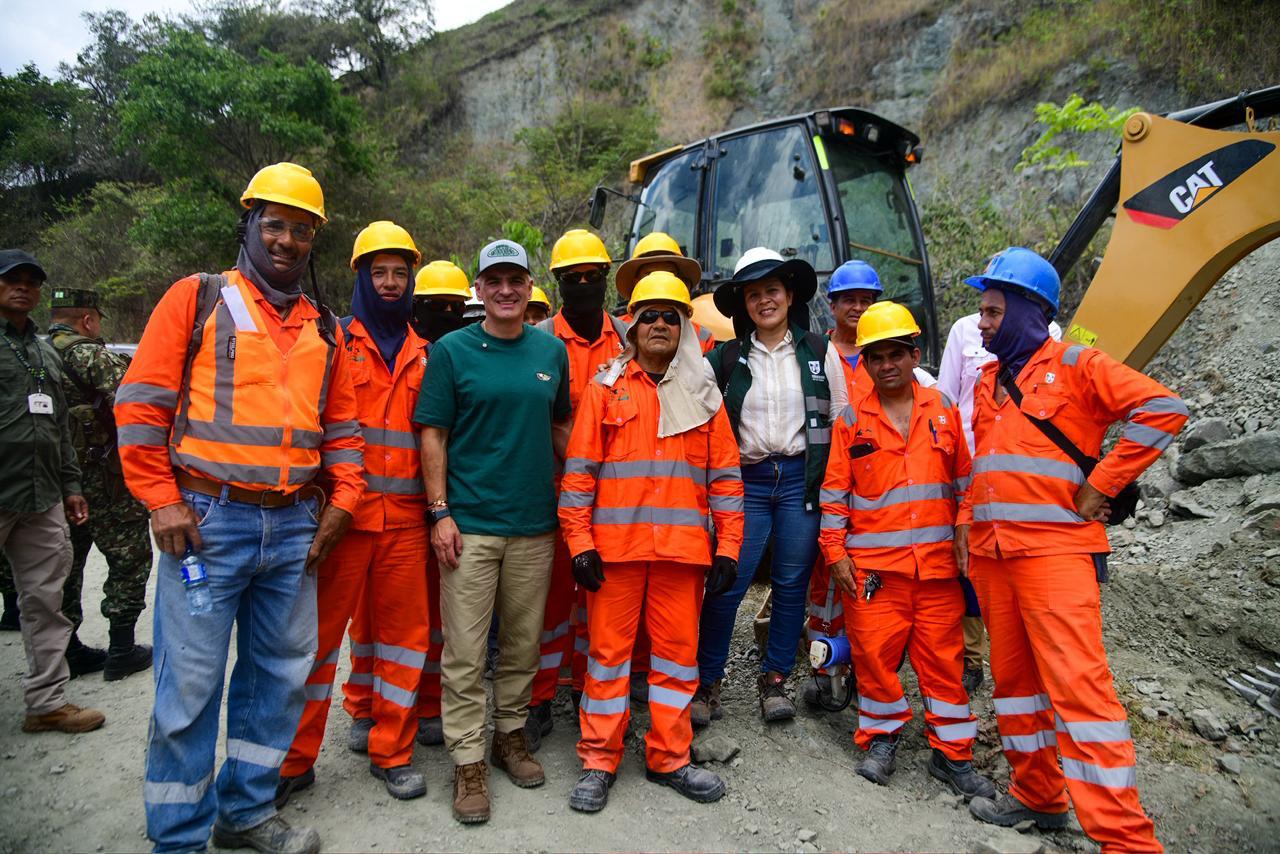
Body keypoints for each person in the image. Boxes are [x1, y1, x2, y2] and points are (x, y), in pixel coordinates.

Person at [117, 162, 364, 854]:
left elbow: (342, 429)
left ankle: (246, 812)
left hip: (293, 528)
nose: (286, 241)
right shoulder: (196, 299)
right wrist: (162, 501)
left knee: (280, 680)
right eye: (275, 225)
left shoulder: (325, 329)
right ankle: (179, 838)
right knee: (188, 689)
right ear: (250, 225)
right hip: (205, 523)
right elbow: (139, 410)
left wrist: (345, 499)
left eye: (301, 231)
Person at [958, 247, 1187, 852]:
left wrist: (1101, 485)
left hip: (1056, 555)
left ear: (1031, 310)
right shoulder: (988, 381)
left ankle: (1125, 838)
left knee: (1079, 693)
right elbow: (985, 468)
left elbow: (1163, 409)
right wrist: (967, 531)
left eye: (991, 311)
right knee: (1014, 686)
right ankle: (1037, 794)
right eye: (981, 311)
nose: (981, 323)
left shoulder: (1078, 365)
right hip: (995, 556)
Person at [560, 271, 743, 812]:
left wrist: (729, 548)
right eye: (648, 316)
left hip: (682, 558)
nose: (659, 324)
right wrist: (579, 545)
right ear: (632, 326)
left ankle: (670, 758)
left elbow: (727, 481)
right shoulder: (605, 387)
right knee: (609, 659)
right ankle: (598, 760)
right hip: (614, 556)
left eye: (670, 315)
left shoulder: (704, 396)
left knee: (675, 662)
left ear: (685, 326)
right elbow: (579, 476)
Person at [415, 238, 572, 825]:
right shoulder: (453, 351)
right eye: (494, 281)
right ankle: (467, 759)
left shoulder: (549, 351)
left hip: (535, 525)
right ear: (477, 292)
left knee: (522, 645)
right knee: (464, 650)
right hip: (470, 527)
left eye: (516, 280)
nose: (506, 290)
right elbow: (432, 434)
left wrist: (597, 473)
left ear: (531, 288)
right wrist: (440, 511)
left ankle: (509, 737)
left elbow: (560, 427)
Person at [277, 222, 430, 805]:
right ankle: (295, 760)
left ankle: (392, 751)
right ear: (361, 277)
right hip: (339, 522)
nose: (390, 283)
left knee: (404, 642)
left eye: (399, 272)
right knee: (315, 646)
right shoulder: (331, 341)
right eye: (379, 272)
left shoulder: (425, 353)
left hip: (407, 525)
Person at [818, 301, 996, 800]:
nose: (887, 364)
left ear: (914, 355)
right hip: (875, 574)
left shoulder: (941, 411)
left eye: (896, 354)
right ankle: (881, 738)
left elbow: (964, 482)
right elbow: (834, 494)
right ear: (866, 364)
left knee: (944, 662)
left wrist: (965, 527)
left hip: (937, 570)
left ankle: (953, 755)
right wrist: (835, 553)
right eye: (876, 357)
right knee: (874, 659)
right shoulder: (851, 422)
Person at [696, 246, 847, 725]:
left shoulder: (820, 352)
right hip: (748, 481)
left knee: (790, 583)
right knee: (728, 581)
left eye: (773, 290)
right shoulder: (723, 359)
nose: (765, 300)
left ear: (789, 295)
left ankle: (775, 679)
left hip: (802, 480)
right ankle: (707, 681)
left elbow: (840, 420)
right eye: (754, 293)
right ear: (743, 303)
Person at [352, 256, 470, 752]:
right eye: (431, 307)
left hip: (425, 511)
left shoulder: (443, 357)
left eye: (451, 308)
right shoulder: (341, 341)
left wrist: (442, 509)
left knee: (424, 622)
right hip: (355, 512)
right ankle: (362, 704)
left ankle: (422, 706)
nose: (441, 315)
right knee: (366, 623)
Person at [526, 228, 627, 750]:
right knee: (549, 606)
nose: (584, 284)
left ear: (606, 279)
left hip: (613, 501)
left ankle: (591, 693)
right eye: (573, 278)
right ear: (559, 282)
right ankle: (540, 698)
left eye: (592, 276)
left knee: (599, 603)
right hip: (553, 496)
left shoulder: (630, 338)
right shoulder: (538, 340)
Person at [0, 249, 104, 735]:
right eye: (10, 280)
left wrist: (70, 484)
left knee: (45, 598)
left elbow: (57, 423)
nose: (21, 288)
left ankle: (46, 700)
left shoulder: (41, 350)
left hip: (41, 493)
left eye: (30, 282)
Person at [937, 307, 1061, 694]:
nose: (983, 321)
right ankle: (971, 657)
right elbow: (945, 399)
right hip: (968, 469)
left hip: (1023, 478)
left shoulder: (1055, 339)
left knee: (1008, 567)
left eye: (994, 308)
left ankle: (1021, 657)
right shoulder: (964, 330)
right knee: (966, 563)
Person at [45, 287, 154, 681]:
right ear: (89, 319)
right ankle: (122, 648)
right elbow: (136, 400)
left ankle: (68, 647)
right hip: (104, 479)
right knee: (130, 556)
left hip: (53, 481)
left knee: (65, 563)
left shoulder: (35, 355)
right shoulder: (90, 354)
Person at [613, 232, 715, 354]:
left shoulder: (702, 337)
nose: (659, 279)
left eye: (668, 273)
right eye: (650, 274)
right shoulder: (615, 331)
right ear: (635, 283)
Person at [410, 259, 472, 344]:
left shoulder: (471, 348)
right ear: (416, 305)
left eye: (457, 306)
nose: (448, 312)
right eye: (437, 304)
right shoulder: (403, 346)